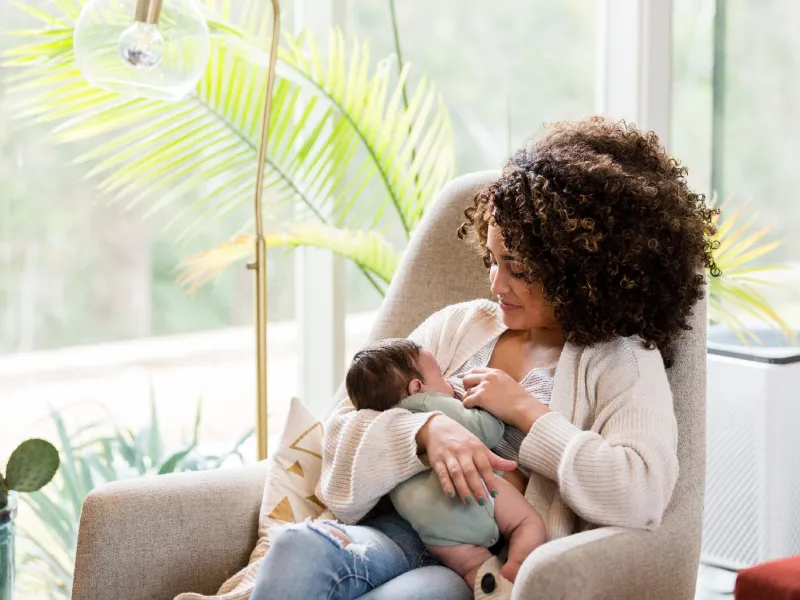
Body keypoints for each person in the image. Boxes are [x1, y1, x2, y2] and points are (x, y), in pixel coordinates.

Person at [250, 116, 718, 600]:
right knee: (296, 548)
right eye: (493, 260)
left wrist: (525, 412)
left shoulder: (620, 361)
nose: (496, 285)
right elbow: (341, 433)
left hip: (476, 568)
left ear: (580, 271)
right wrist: (425, 432)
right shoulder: (458, 325)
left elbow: (639, 492)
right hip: (390, 530)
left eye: (517, 268)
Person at [344, 338, 547, 587]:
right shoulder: (431, 403)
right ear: (417, 387)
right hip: (474, 495)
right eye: (440, 375)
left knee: (472, 565)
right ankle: (518, 568)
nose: (449, 382)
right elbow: (487, 431)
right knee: (527, 523)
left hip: (428, 525)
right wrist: (490, 407)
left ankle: (493, 588)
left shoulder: (381, 421)